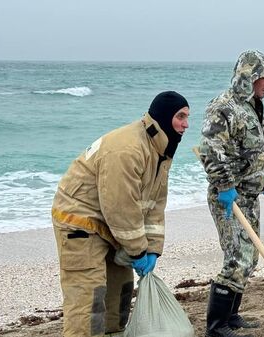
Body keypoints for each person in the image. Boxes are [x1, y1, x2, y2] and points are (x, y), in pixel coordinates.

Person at [51, 91, 190, 337]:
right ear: (164, 117)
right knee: (89, 300)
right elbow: (120, 207)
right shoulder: (127, 150)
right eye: (180, 116)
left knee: (120, 293)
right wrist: (137, 250)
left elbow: (154, 204)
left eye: (187, 117)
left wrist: (153, 249)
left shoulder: (161, 151)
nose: (186, 124)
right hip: (79, 219)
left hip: (111, 224)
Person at [198, 50, 264, 337]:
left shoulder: (254, 107)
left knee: (250, 256)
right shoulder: (224, 107)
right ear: (249, 76)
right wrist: (224, 186)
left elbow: (257, 147)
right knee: (236, 257)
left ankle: (231, 316)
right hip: (228, 196)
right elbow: (211, 151)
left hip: (250, 195)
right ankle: (216, 326)